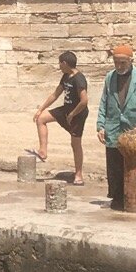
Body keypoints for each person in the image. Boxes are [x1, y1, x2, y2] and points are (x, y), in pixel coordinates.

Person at [96, 42, 136, 210]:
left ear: (131, 61)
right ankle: (116, 198)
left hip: (134, 128)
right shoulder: (110, 77)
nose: (119, 66)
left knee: (132, 165)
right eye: (116, 62)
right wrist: (100, 125)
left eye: (123, 62)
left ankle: (132, 197)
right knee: (114, 165)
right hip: (114, 126)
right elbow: (104, 102)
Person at [29, 50, 89, 186]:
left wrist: (73, 114)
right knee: (41, 119)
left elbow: (84, 100)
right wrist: (40, 109)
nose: (59, 67)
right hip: (65, 110)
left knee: (75, 144)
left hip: (77, 114)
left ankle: (78, 174)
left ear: (65, 63)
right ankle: (43, 151)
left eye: (60, 64)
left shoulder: (79, 78)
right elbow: (55, 94)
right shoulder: (66, 76)